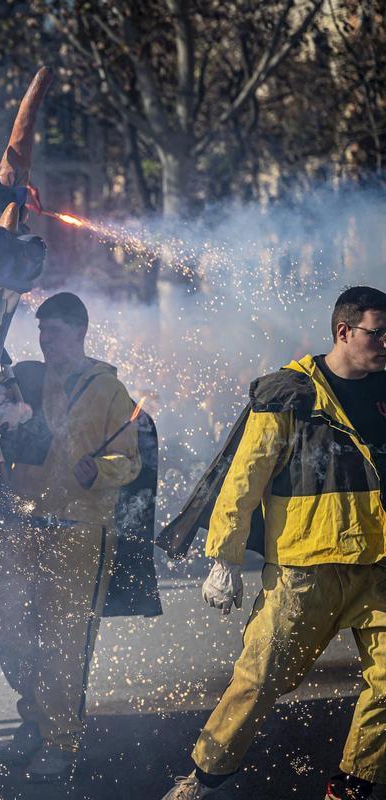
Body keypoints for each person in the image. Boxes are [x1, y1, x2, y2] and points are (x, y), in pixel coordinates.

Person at [159, 286, 386, 800]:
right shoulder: (289, 393)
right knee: (259, 681)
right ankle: (204, 776)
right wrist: (223, 557)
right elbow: (245, 478)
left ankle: (353, 782)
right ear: (344, 332)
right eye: (378, 332)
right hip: (304, 570)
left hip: (377, 566)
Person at [0, 292, 142, 782]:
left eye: (52, 331)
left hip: (79, 528)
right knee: (1, 619)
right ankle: (35, 711)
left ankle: (59, 739)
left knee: (65, 639)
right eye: (40, 332)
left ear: (78, 331)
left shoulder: (111, 391)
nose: (44, 340)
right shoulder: (27, 376)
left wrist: (102, 469)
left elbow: (130, 460)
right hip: (18, 521)